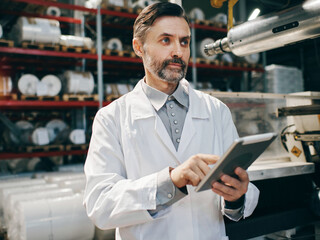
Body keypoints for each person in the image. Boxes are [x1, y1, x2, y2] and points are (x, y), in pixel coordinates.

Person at [84, 2, 260, 240]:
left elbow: (241, 189)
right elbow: (100, 204)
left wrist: (238, 196)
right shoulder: (111, 118)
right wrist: (170, 182)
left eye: (184, 41)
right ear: (139, 47)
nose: (178, 51)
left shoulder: (216, 110)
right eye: (166, 40)